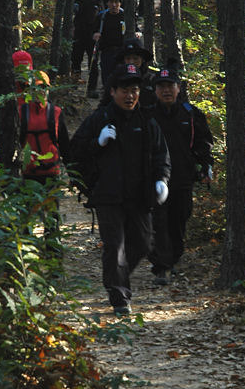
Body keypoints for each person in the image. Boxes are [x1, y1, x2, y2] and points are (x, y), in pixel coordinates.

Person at [70, 64, 171, 316]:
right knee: (114, 246)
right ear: (113, 91)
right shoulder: (99, 119)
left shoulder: (147, 121)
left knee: (144, 243)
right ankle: (119, 297)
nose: (130, 96)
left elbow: (162, 154)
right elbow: (74, 153)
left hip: (140, 196)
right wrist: (98, 142)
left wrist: (162, 179)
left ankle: (118, 276)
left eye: (134, 90)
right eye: (125, 90)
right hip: (108, 196)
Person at [0, 50, 70, 236]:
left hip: (42, 162)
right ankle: (22, 241)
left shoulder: (36, 87)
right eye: (19, 69)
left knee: (48, 207)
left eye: (26, 68)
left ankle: (50, 246)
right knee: (18, 201)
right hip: (15, 155)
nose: (23, 73)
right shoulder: (4, 89)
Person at [148, 64, 214, 286]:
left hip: (183, 178)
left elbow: (204, 143)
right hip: (155, 179)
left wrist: (206, 166)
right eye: (162, 87)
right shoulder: (147, 114)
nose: (166, 91)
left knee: (179, 219)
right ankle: (161, 267)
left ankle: (173, 258)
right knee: (159, 221)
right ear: (155, 90)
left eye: (170, 86)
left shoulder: (191, 113)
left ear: (178, 89)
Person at [86, 0, 126, 98]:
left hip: (122, 52)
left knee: (121, 76)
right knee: (107, 76)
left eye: (116, 2)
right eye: (111, 2)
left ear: (120, 3)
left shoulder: (125, 15)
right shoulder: (102, 16)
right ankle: (108, 97)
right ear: (107, 3)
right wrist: (95, 35)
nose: (114, 5)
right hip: (106, 51)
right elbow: (93, 30)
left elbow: (135, 29)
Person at [99, 36, 156, 109]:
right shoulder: (114, 79)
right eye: (128, 58)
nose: (131, 62)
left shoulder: (151, 80)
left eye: (135, 58)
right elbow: (104, 104)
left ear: (142, 60)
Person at [71, 0, 103, 81]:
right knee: (76, 59)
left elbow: (103, 18)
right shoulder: (76, 0)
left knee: (93, 62)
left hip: (93, 36)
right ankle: (74, 82)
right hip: (78, 34)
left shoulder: (98, 1)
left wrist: (99, 32)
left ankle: (91, 86)